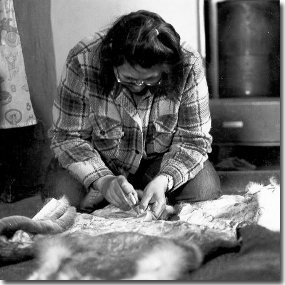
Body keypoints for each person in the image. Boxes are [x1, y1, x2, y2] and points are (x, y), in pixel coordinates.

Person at [44, 9, 221, 219]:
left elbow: (193, 141)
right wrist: (103, 180)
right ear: (112, 63)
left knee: (205, 189)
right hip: (100, 160)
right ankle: (110, 195)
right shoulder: (83, 60)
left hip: (158, 163)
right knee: (59, 196)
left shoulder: (188, 64)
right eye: (128, 79)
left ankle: (146, 195)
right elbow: (68, 137)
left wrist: (165, 179)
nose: (138, 86)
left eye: (150, 80)